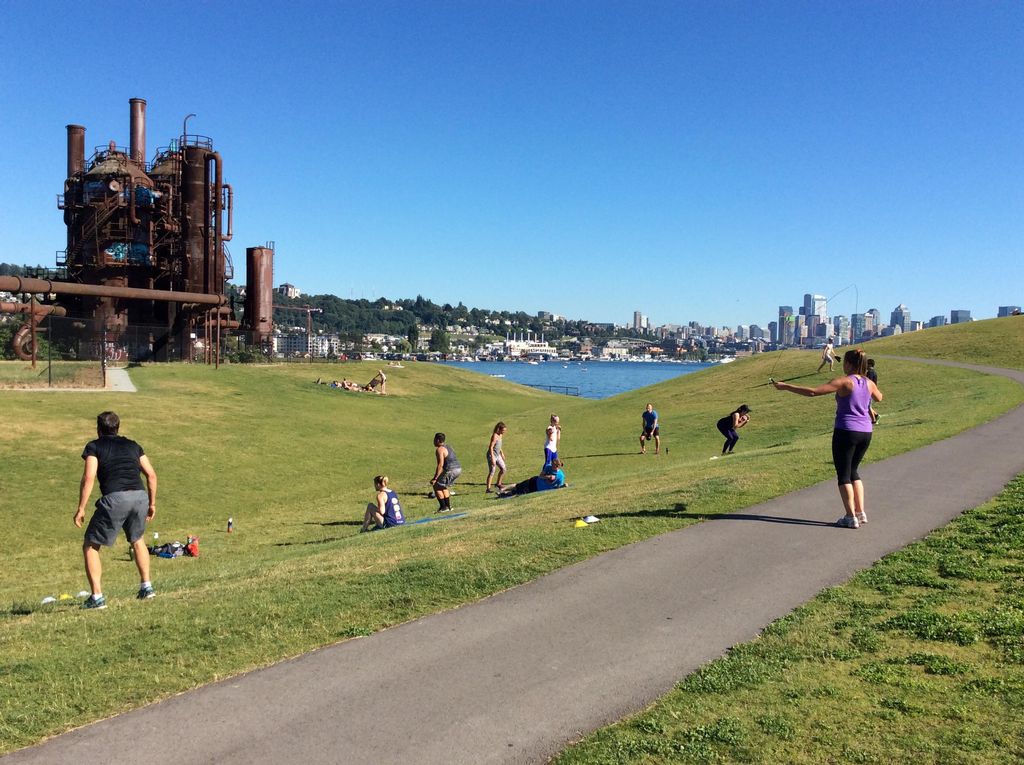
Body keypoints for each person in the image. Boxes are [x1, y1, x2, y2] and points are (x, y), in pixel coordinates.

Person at [773, 348, 883, 529]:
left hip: (846, 431)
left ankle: (850, 517)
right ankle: (860, 512)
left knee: (843, 475)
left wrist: (786, 386)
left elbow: (813, 392)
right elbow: (879, 397)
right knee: (854, 471)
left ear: (848, 363)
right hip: (866, 432)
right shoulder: (868, 382)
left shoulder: (844, 382)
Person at [73, 411, 158, 609]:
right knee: (138, 540)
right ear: (117, 427)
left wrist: (81, 508)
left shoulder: (94, 446)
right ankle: (147, 587)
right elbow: (151, 475)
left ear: (98, 429)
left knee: (90, 545)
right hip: (139, 496)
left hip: (115, 498)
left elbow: (88, 478)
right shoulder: (133, 445)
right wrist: (152, 503)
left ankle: (97, 597)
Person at [498, 459, 565, 497]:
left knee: (518, 492)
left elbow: (558, 488)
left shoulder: (560, 476)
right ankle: (503, 489)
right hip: (534, 480)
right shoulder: (548, 466)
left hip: (537, 488)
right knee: (518, 485)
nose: (551, 465)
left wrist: (564, 486)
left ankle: (503, 494)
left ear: (557, 466)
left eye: (552, 464)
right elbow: (540, 476)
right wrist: (548, 477)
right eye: (551, 463)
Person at [430, 432, 461, 513]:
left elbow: (440, 464)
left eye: (434, 439)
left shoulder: (440, 449)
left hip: (451, 470)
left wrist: (435, 478)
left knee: (436, 486)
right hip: (458, 468)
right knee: (443, 486)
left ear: (437, 440)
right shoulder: (449, 446)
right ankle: (448, 506)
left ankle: (443, 507)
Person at [485, 421, 508, 493]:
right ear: (499, 429)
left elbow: (498, 446)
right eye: (503, 430)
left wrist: (502, 453)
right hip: (492, 455)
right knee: (492, 471)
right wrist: (492, 458)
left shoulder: (500, 435)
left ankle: (498, 484)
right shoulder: (495, 436)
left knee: (503, 469)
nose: (504, 432)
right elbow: (491, 447)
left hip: (498, 455)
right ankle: (488, 489)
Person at [865, 359, 880, 424]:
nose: (865, 366)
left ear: (870, 364)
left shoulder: (870, 372)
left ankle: (873, 420)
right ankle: (876, 415)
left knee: (867, 406)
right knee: (867, 406)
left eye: (866, 364)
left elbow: (869, 382)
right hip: (872, 391)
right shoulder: (873, 372)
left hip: (869, 391)